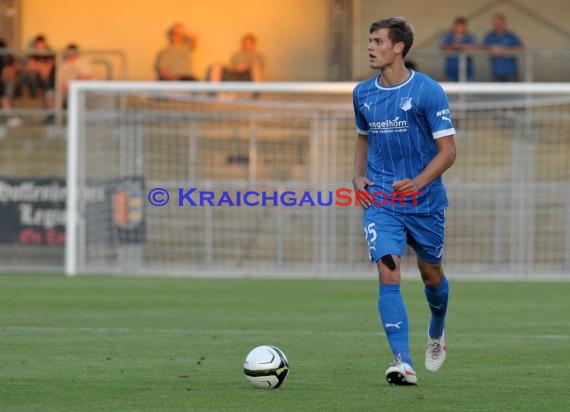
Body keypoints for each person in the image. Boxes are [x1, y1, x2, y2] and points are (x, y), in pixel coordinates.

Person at [352, 17, 456, 386]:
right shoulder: (362, 93)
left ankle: (437, 330)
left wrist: (419, 182)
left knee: (432, 276)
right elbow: (363, 136)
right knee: (387, 267)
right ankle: (403, 362)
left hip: (425, 201)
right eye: (370, 40)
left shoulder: (427, 91)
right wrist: (357, 174)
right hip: (381, 198)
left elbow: (448, 152)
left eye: (378, 41)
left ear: (399, 47)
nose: (370, 46)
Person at [483, 14, 523, 82]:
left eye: (500, 23)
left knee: (512, 92)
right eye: (496, 23)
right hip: (496, 72)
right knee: (496, 92)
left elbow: (521, 48)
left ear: (504, 23)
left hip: (511, 72)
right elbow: (482, 47)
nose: (498, 25)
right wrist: (491, 48)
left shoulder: (511, 35)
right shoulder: (490, 35)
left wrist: (504, 50)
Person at [440, 17, 477, 81]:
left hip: (467, 72)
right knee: (451, 90)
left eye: (461, 26)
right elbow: (443, 47)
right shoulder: (449, 36)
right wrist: (453, 46)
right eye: (457, 26)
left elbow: (474, 49)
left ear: (465, 27)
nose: (459, 29)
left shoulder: (470, 37)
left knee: (468, 90)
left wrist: (463, 46)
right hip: (451, 72)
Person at [0, 39, 22, 127]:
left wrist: (5, 75)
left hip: (4, 84)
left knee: (4, 98)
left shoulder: (7, 56)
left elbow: (12, 70)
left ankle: (11, 117)